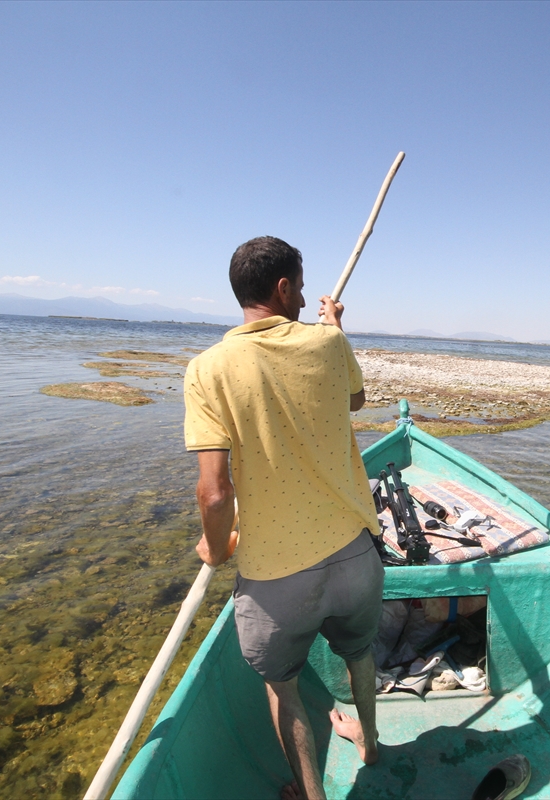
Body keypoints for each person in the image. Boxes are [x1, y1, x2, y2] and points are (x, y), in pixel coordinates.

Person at [184, 236, 383, 800]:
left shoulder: (206, 370)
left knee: (286, 690)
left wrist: (216, 547)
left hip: (275, 575)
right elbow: (353, 400)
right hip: (353, 552)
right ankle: (370, 744)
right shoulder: (326, 344)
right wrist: (334, 329)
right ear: (283, 287)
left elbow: (215, 494)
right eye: (300, 283)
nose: (302, 295)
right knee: (360, 655)